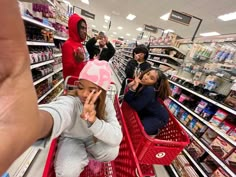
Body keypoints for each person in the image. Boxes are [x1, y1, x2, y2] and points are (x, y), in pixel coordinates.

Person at [0, 2, 122, 174]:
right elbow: (59, 111)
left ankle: (85, 155)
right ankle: (79, 155)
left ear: (102, 92)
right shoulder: (72, 100)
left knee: (112, 151)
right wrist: (37, 123)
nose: (84, 94)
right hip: (72, 139)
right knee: (65, 172)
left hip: (92, 137)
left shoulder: (106, 103)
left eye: (92, 90)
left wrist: (93, 122)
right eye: (81, 86)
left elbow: (118, 136)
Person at [124, 68, 171, 135]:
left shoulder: (150, 90)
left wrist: (132, 89)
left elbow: (135, 106)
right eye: (147, 74)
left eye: (151, 78)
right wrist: (132, 85)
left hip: (158, 117)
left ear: (156, 83)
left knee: (140, 131)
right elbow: (127, 99)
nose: (146, 77)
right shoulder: (141, 84)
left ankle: (155, 131)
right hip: (148, 113)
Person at [62, 13, 88, 85]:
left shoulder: (79, 44)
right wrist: (77, 62)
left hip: (80, 83)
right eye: (82, 28)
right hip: (72, 86)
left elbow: (82, 62)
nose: (85, 31)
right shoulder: (67, 45)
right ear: (75, 28)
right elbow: (67, 70)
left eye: (85, 28)